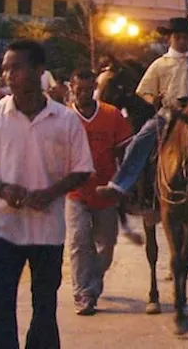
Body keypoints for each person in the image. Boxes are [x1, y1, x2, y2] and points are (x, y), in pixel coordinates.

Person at [0, 40, 94, 349]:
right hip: (2, 226)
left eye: (16, 67)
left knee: (44, 306)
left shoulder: (65, 121)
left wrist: (51, 192)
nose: (9, 75)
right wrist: (2, 188)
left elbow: (82, 169)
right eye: (6, 69)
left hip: (47, 229)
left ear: (40, 71)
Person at [95, 17, 188, 199]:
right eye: (179, 38)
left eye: (187, 38)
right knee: (139, 142)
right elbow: (143, 91)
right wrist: (154, 100)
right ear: (170, 39)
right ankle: (120, 185)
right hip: (169, 113)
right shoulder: (160, 64)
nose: (183, 41)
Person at [65, 68, 133, 315]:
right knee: (79, 240)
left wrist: (123, 182)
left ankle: (93, 280)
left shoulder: (111, 114)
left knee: (106, 244)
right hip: (75, 191)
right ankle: (84, 293)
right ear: (70, 89)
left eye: (88, 89)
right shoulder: (64, 118)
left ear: (95, 88)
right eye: (78, 89)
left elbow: (124, 149)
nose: (84, 94)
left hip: (105, 190)